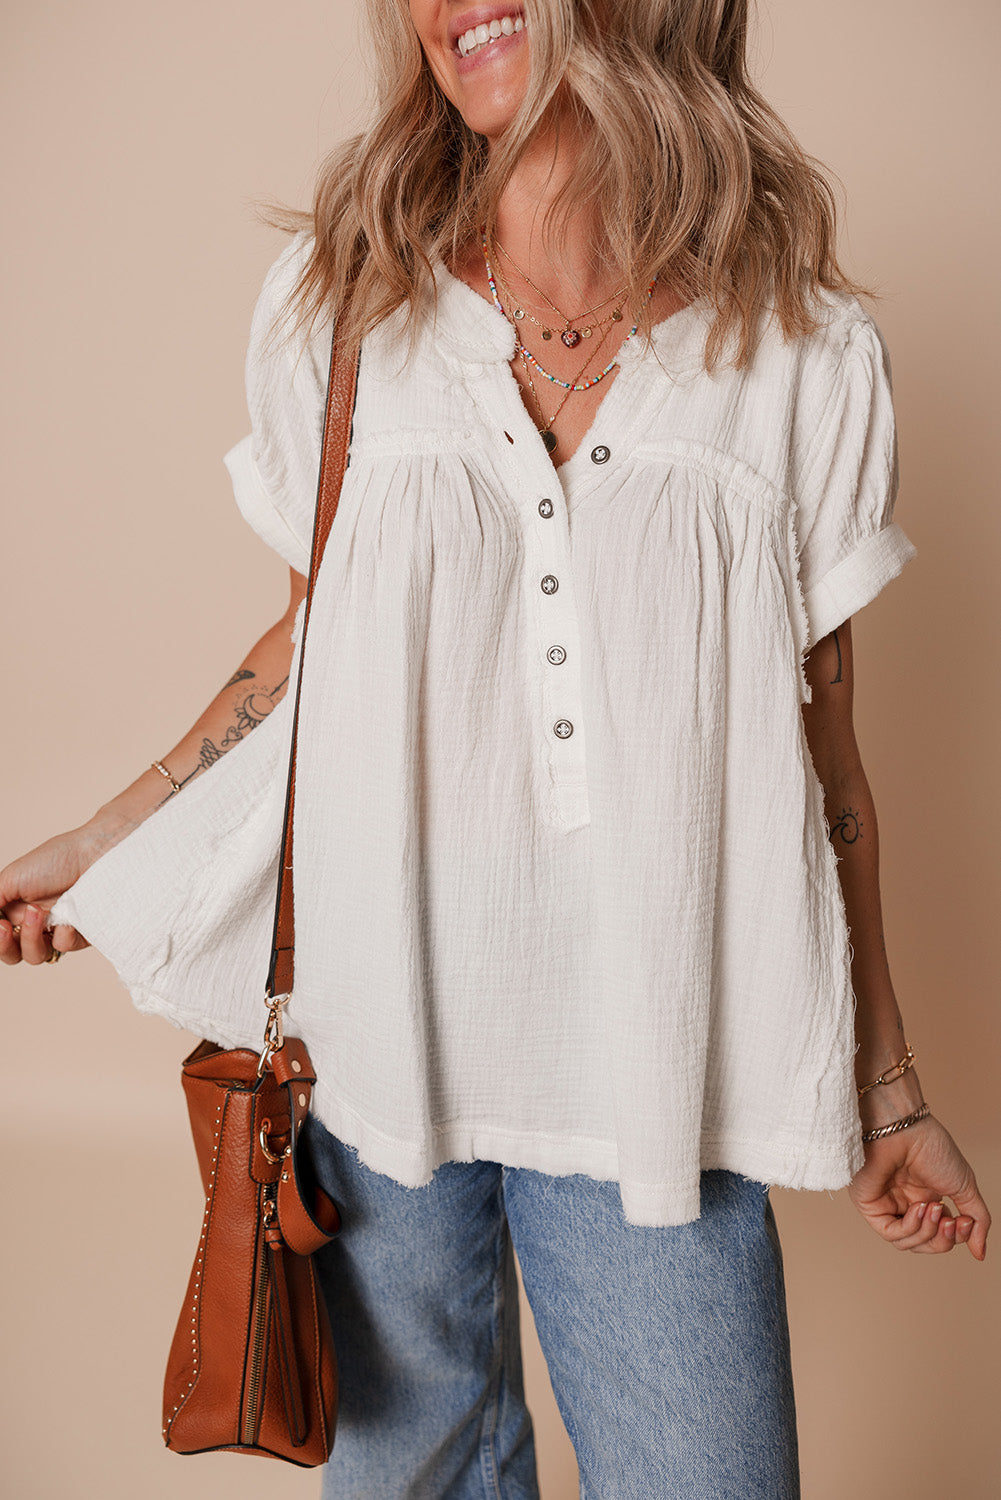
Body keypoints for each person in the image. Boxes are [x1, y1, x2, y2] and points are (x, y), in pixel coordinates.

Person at [1, 2, 991, 1495]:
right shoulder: (344, 315)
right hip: (375, 1049)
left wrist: (888, 1092)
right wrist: (105, 841)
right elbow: (306, 646)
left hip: (657, 1070)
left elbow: (827, 773)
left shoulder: (797, 353)